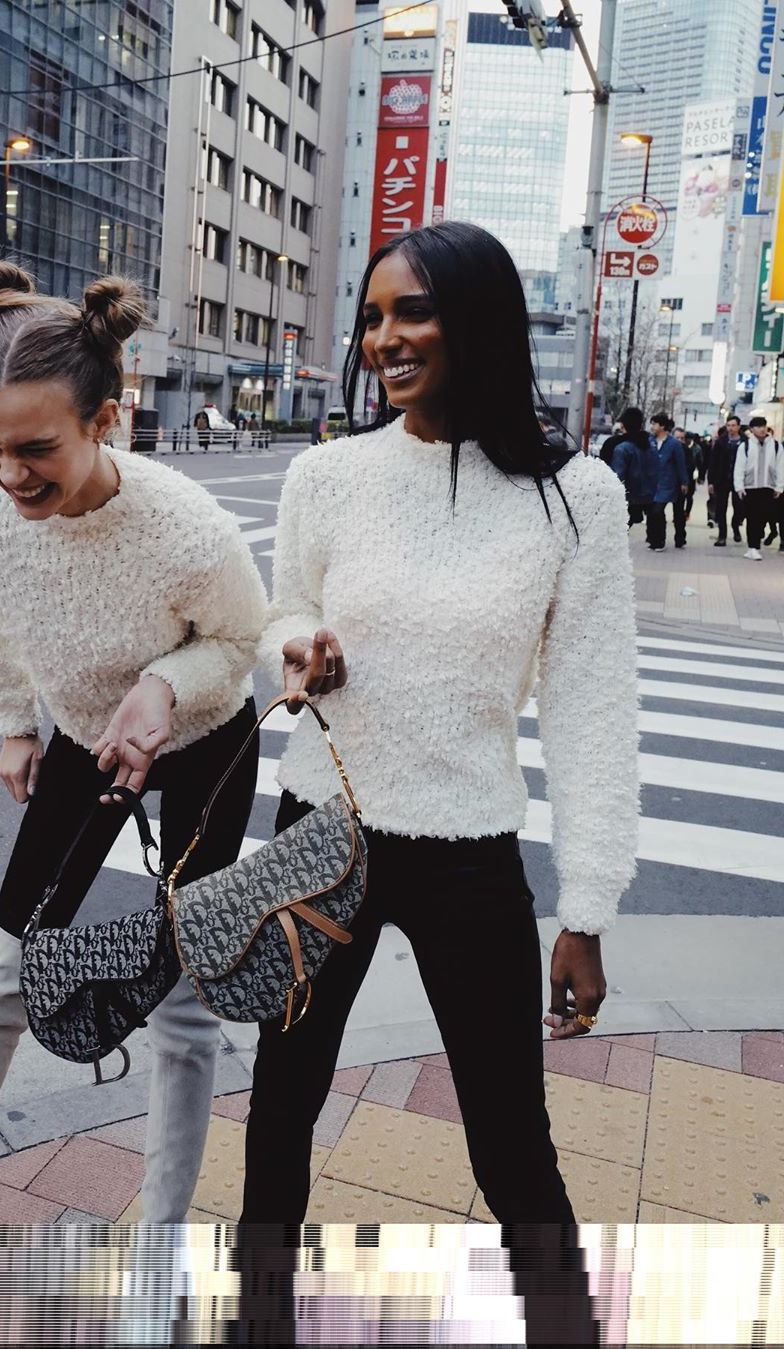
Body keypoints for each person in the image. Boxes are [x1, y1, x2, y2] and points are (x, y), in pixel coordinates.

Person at [240, 222, 639, 1229]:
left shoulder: (575, 498)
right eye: (372, 317)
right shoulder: (327, 476)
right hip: (321, 834)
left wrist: (587, 910)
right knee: (280, 1110)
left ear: (479, 320)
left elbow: (593, 712)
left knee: (512, 1145)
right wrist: (300, 647)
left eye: (412, 312)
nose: (384, 339)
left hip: (468, 849)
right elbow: (284, 610)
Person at [0, 261, 268, 1224]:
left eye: (36, 448)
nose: (9, 474)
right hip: (84, 739)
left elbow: (239, 639)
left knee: (182, 999)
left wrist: (165, 685)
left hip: (208, 743)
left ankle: (160, 1240)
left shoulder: (187, 529)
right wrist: (16, 722)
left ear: (106, 419)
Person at [733, 414, 783, 560]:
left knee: (764, 517)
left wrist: (779, 486)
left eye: (763, 426)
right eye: (758, 427)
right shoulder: (746, 446)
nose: (762, 429)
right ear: (752, 429)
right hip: (750, 487)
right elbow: (739, 467)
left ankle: (755, 545)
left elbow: (781, 467)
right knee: (752, 518)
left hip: (768, 487)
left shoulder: (776, 446)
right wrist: (739, 486)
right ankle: (753, 547)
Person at [647, 412, 689, 550]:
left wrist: (684, 482)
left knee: (658, 510)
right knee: (652, 512)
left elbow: (681, 464)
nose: (652, 426)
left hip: (667, 482)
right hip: (652, 482)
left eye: (655, 424)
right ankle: (653, 539)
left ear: (662, 426)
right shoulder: (650, 441)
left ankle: (660, 541)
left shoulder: (674, 444)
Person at [610, 406, 657, 528]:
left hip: (628, 498)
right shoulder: (651, 447)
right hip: (647, 497)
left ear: (623, 425)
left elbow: (618, 478)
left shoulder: (622, 449)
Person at [707, 417, 745, 545]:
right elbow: (713, 462)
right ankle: (722, 535)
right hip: (722, 479)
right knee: (720, 507)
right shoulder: (721, 442)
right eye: (729, 425)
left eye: (733, 425)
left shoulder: (745, 442)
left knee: (739, 506)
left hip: (739, 479)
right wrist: (711, 481)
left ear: (738, 426)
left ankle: (735, 525)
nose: (731, 428)